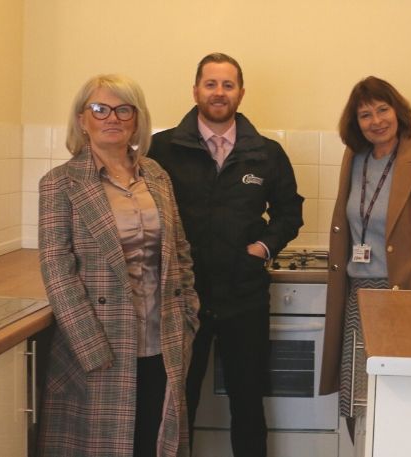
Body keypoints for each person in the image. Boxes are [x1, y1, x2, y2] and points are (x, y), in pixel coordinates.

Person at [148, 53, 304, 457]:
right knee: (177, 402)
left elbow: (289, 212)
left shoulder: (267, 153)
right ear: (195, 90)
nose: (219, 93)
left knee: (248, 401)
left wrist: (262, 248)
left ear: (241, 93)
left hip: (244, 293)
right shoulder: (161, 148)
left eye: (228, 85)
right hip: (181, 296)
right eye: (211, 84)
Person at [37, 74, 200, 457]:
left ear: (136, 119)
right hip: (100, 343)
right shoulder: (60, 184)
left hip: (164, 337)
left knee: (153, 439)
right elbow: (57, 269)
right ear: (82, 120)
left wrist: (189, 317)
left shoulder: (157, 176)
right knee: (101, 445)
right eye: (100, 109)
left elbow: (180, 251)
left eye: (123, 109)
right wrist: (91, 347)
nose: (112, 117)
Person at [319, 76, 411, 446]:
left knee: (397, 397)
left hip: (402, 294)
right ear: (355, 123)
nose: (376, 121)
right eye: (365, 114)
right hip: (358, 297)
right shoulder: (353, 161)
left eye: (382, 109)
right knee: (357, 398)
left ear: (399, 112)